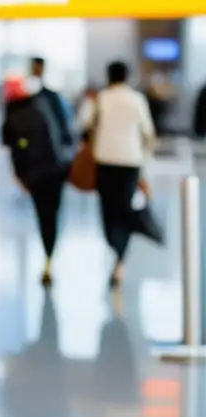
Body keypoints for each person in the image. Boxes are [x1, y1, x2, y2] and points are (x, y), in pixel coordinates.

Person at [79, 61, 155, 287]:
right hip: (130, 163)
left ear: (108, 76)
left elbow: (85, 125)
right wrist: (144, 163)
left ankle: (116, 249)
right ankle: (120, 259)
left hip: (105, 163)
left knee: (109, 211)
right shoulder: (137, 99)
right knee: (125, 209)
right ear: (127, 77)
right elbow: (148, 133)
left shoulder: (101, 98)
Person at [1, 74, 72, 286]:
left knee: (44, 216)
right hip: (56, 171)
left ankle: (48, 256)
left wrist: (20, 176)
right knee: (53, 216)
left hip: (35, 176)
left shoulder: (12, 119)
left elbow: (15, 150)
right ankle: (49, 257)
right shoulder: (42, 108)